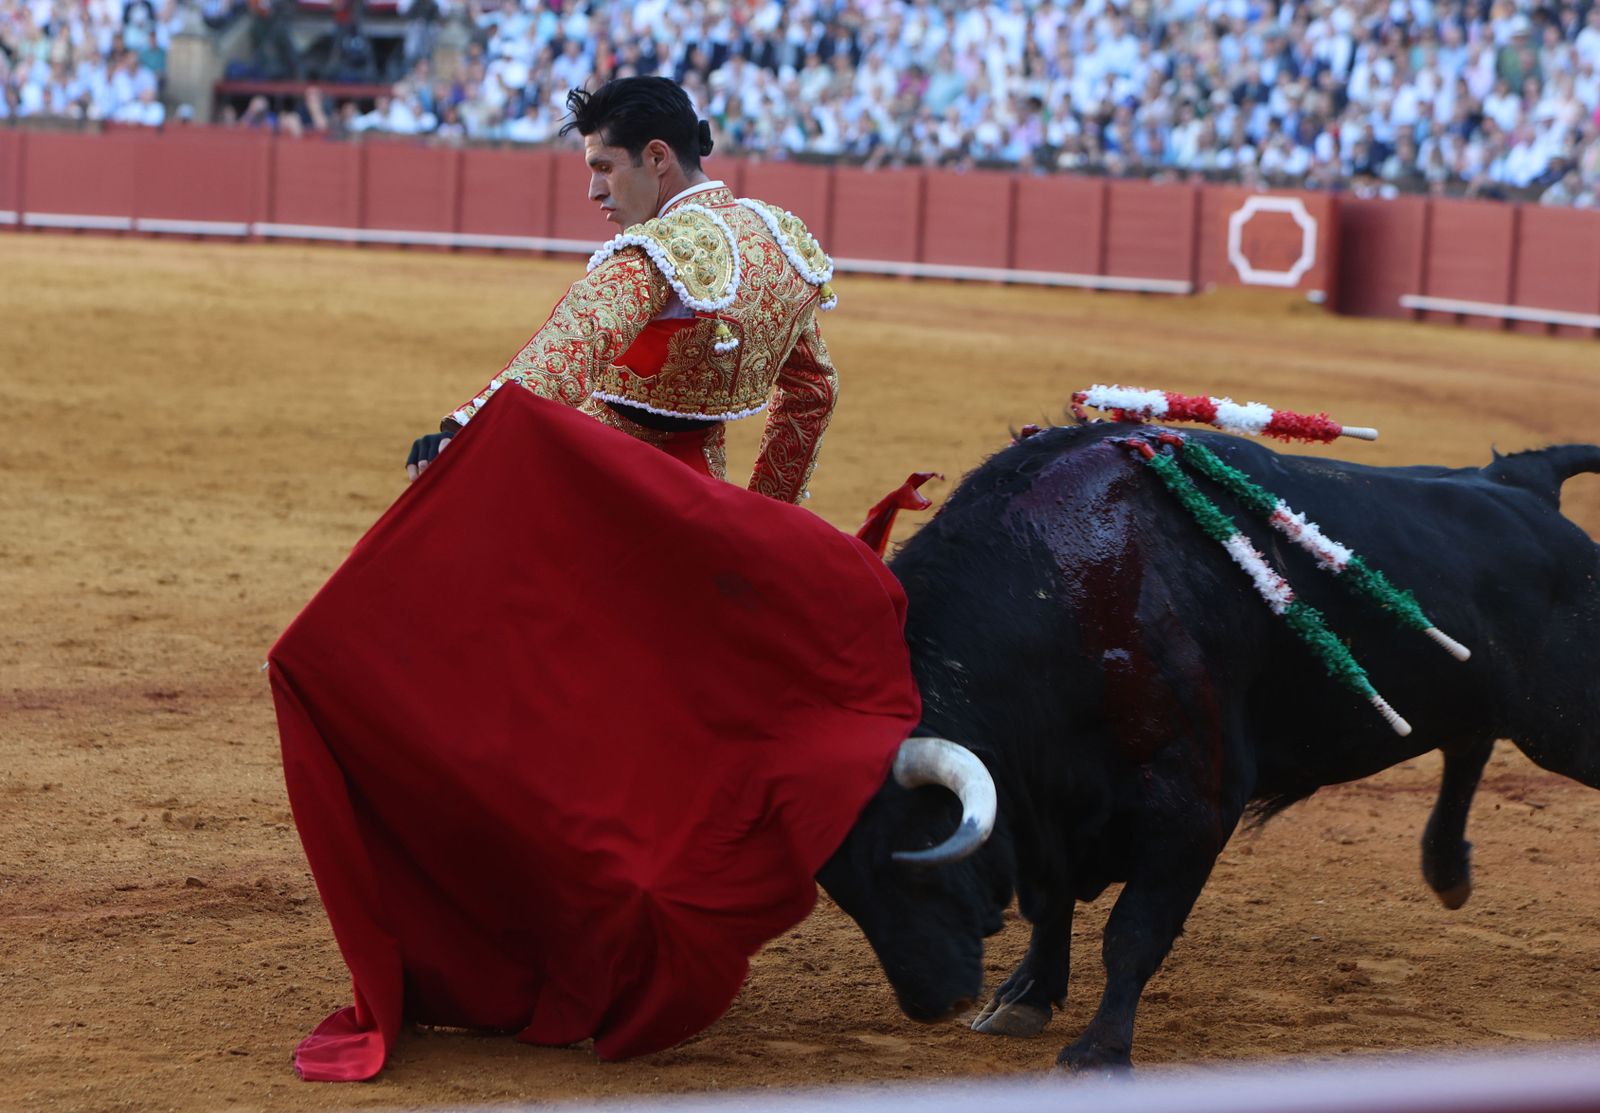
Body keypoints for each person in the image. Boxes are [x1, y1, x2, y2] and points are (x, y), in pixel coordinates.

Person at [406, 76, 840, 506]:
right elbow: (815, 390)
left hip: (601, 486)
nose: (594, 190)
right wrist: (768, 512)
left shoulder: (661, 249)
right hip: (702, 499)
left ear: (656, 157)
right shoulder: (779, 241)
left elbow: (579, 338)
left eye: (604, 168)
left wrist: (466, 430)